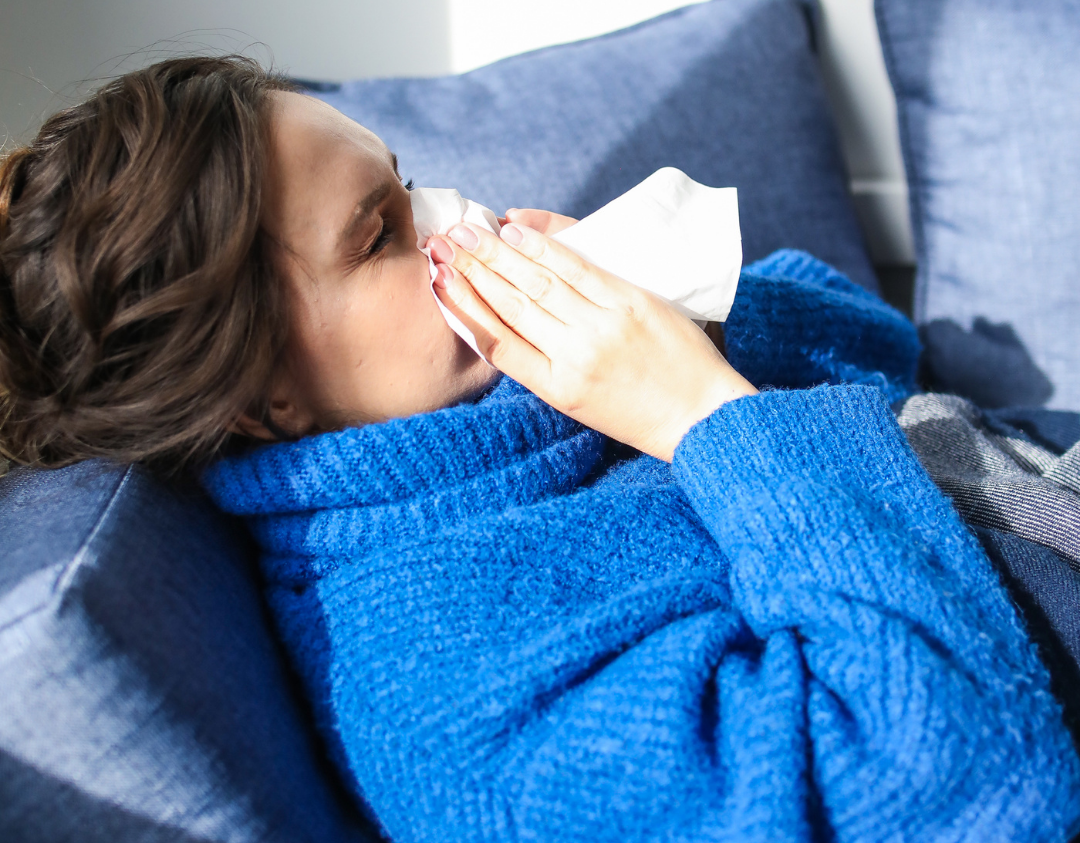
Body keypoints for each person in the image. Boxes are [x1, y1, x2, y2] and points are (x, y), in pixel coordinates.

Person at [0, 56, 1076, 842]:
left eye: (409, 179)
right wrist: (706, 422)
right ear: (260, 398)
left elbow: (887, 351)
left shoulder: (518, 403)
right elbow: (961, 793)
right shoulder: (439, 687)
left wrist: (688, 322)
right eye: (382, 232)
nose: (455, 219)